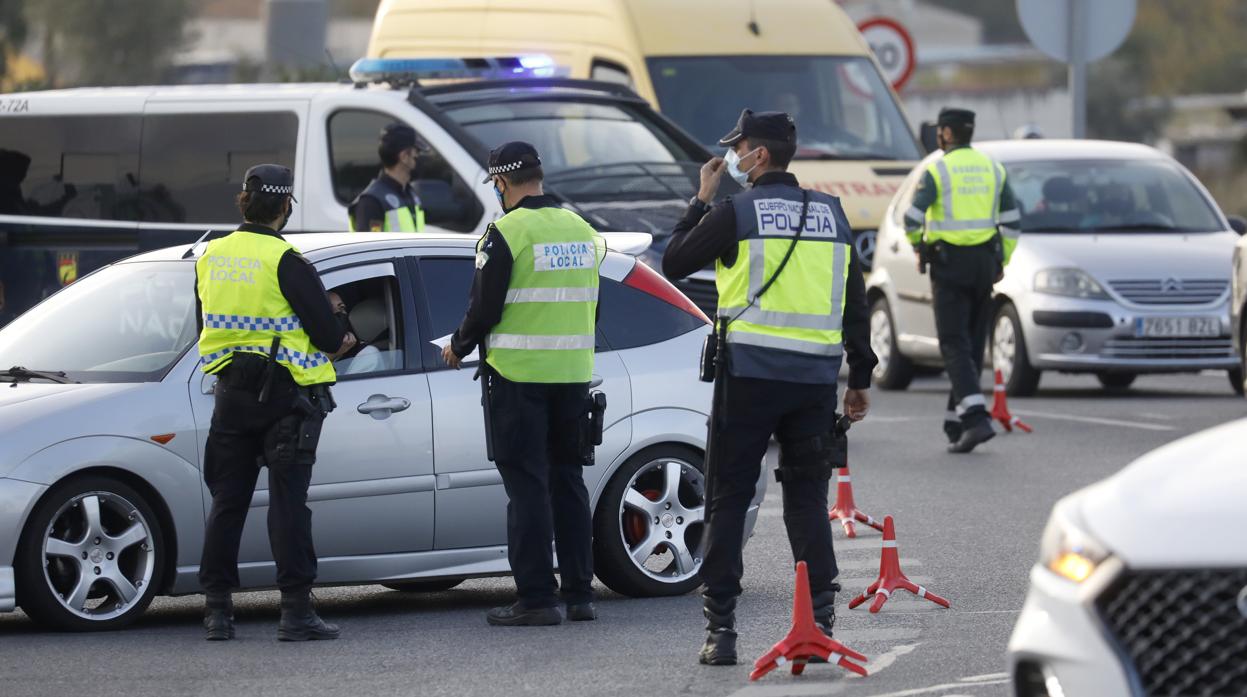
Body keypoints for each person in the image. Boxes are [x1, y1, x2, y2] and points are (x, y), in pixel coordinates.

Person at [662, 109, 876, 666]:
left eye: (739, 149)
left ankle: (722, 631)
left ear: (758, 155)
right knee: (807, 501)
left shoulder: (736, 210)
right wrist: (861, 376)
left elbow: (676, 261)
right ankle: (819, 620)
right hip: (813, 383)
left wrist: (701, 197)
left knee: (728, 497)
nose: (731, 158)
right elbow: (854, 301)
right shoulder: (832, 214)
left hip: (750, 379)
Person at [441, 141, 605, 627]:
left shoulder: (506, 233)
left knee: (529, 488)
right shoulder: (582, 229)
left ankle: (536, 599)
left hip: (517, 377)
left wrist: (458, 345)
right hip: (572, 375)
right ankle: (579, 595)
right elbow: (591, 303)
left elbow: (484, 308)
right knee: (569, 482)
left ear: (500, 183)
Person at [196, 164, 357, 641]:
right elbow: (328, 337)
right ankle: (295, 613)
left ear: (244, 201)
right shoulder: (285, 260)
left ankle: (218, 612)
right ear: (286, 206)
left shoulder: (210, 256)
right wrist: (338, 313)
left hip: (229, 397)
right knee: (288, 506)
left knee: (227, 504)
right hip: (286, 400)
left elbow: (204, 323)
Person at [902, 108, 1021, 453]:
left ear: (948, 134)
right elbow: (1013, 221)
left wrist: (918, 247)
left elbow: (911, 217)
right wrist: (1003, 259)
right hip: (985, 263)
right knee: (970, 342)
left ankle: (976, 420)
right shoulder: (993, 168)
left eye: (940, 131)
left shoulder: (937, 168)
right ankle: (956, 422)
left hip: (950, 264)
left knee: (953, 344)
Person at [347, 123, 426, 233]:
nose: (419, 157)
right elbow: (371, 248)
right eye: (416, 152)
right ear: (404, 156)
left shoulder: (408, 193)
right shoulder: (371, 202)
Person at [327, 291, 384, 375]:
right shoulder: (307, 349)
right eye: (329, 309)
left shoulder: (366, 354)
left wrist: (330, 357)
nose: (338, 314)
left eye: (341, 308)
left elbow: (342, 387)